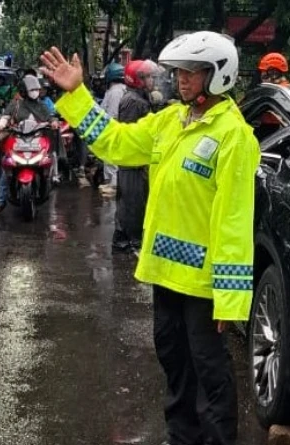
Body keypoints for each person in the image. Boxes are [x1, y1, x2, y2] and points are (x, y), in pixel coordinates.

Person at [42, 30, 259, 445]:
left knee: (210, 374)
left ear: (219, 75)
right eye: (180, 72)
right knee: (174, 364)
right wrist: (78, 94)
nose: (182, 80)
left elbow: (234, 221)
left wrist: (229, 299)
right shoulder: (169, 122)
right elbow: (115, 143)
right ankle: (182, 439)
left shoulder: (233, 136)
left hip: (203, 287)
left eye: (193, 73)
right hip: (165, 275)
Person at [112, 59, 168, 252]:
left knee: (132, 202)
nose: (152, 81)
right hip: (132, 164)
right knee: (132, 204)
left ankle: (126, 239)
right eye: (148, 77)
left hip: (135, 163)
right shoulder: (133, 101)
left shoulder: (139, 98)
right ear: (137, 79)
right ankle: (127, 241)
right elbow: (131, 132)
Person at [0, 75, 59, 213]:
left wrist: (53, 122)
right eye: (31, 89)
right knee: (7, 168)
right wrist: (1, 125)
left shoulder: (42, 105)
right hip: (18, 139)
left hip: (37, 139)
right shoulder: (16, 104)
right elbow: (5, 117)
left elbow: (50, 117)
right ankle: (0, 200)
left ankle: (54, 177)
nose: (35, 92)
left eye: (36, 89)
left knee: (50, 157)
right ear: (23, 90)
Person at [98, 63, 126, 196]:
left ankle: (114, 185)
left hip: (112, 128)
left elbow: (113, 113)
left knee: (111, 159)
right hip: (116, 128)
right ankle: (111, 183)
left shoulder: (115, 91)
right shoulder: (119, 89)